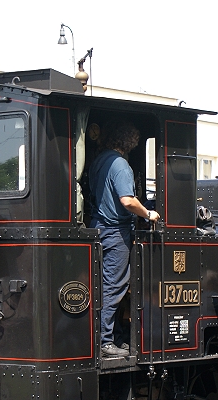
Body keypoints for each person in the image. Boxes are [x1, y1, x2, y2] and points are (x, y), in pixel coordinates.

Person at [88, 122, 160, 358]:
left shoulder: (100, 160)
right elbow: (127, 201)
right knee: (114, 286)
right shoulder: (120, 166)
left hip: (99, 227)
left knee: (106, 285)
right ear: (130, 142)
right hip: (115, 230)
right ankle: (105, 340)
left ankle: (115, 336)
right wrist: (148, 213)